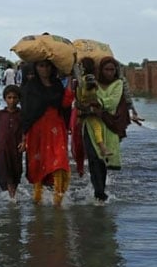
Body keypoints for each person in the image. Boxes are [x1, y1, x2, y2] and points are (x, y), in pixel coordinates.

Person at [20, 59, 74, 206]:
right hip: (37, 129)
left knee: (59, 162)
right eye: (41, 66)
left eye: (48, 66)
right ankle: (37, 201)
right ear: (35, 67)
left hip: (56, 127)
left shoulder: (57, 85)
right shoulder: (30, 87)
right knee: (38, 163)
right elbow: (25, 111)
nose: (45, 69)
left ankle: (58, 201)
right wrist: (24, 135)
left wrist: (70, 82)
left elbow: (65, 103)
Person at [82, 56, 124, 203]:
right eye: (106, 69)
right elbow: (84, 98)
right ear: (101, 70)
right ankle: (99, 192)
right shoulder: (92, 82)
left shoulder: (118, 84)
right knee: (94, 158)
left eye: (112, 69)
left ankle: (100, 191)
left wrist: (96, 103)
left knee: (103, 161)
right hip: (90, 124)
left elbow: (112, 103)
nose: (109, 72)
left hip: (109, 124)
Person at [0, 85, 24, 201]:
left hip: (16, 150)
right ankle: (12, 198)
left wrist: (24, 142)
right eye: (9, 97)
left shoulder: (22, 114)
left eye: (15, 98)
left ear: (19, 99)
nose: (12, 100)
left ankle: (13, 195)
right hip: (3, 150)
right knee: (4, 172)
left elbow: (26, 131)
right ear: (5, 99)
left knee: (16, 172)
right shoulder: (1, 115)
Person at [75, 57, 110, 157]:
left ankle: (96, 149)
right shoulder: (97, 81)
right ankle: (102, 148)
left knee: (84, 130)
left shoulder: (81, 81)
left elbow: (79, 96)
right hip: (94, 109)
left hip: (84, 110)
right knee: (97, 128)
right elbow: (101, 95)